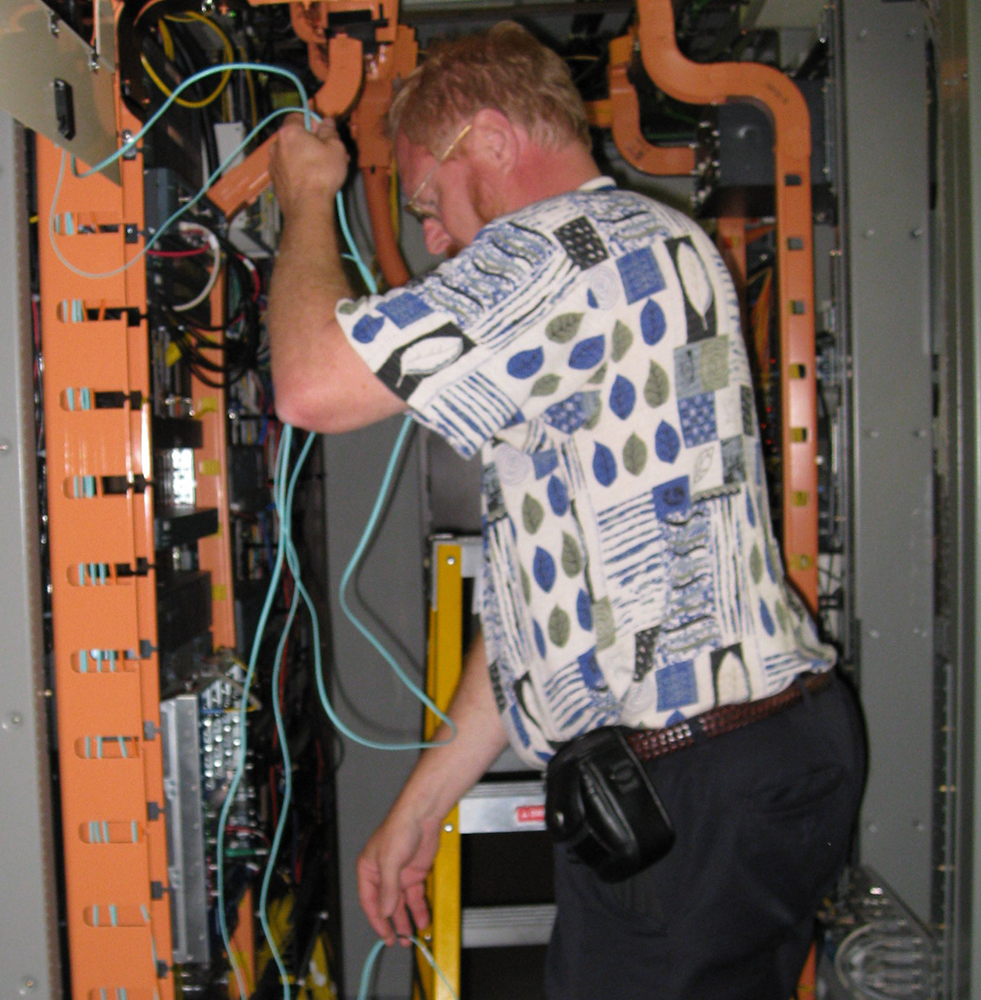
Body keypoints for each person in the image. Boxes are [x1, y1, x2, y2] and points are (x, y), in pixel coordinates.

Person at [267, 21, 865, 1000]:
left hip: (682, 793)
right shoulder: (656, 243)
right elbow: (551, 606)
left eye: (428, 201)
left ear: (495, 142)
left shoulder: (555, 252)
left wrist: (303, 198)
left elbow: (309, 386)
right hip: (758, 762)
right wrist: (424, 802)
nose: (432, 239)